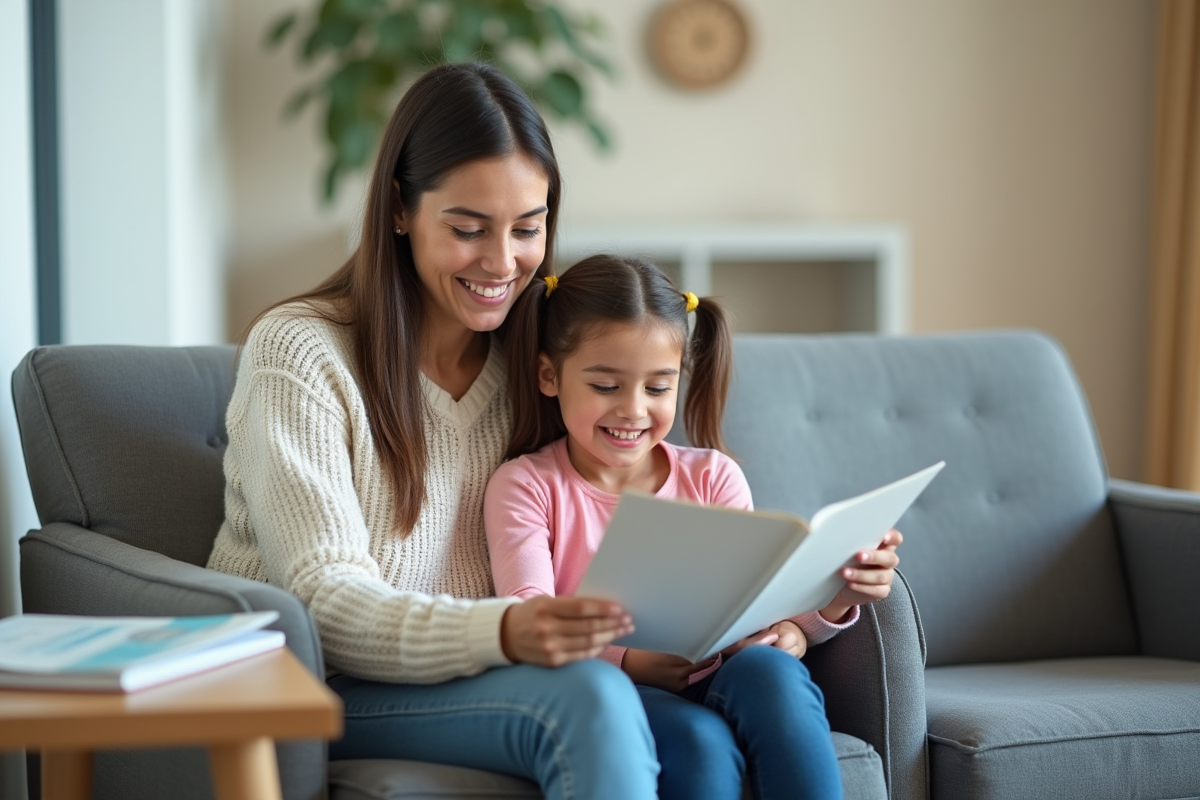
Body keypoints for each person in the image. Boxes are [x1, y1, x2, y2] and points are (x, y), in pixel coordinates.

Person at [205, 64, 660, 799]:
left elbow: (626, 494)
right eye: (468, 229)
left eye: (527, 228)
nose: (502, 262)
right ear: (399, 209)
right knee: (590, 699)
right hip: (321, 682)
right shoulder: (301, 353)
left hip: (487, 675)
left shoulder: (541, 364)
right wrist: (505, 630)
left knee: (696, 732)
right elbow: (323, 597)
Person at [485, 254, 905, 800]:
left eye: (657, 388)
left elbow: (756, 600)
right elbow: (528, 619)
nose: (633, 410)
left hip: (723, 672)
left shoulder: (712, 476)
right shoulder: (527, 485)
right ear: (550, 375)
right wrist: (629, 661)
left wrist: (828, 602)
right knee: (700, 741)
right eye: (606, 386)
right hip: (611, 691)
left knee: (773, 674)